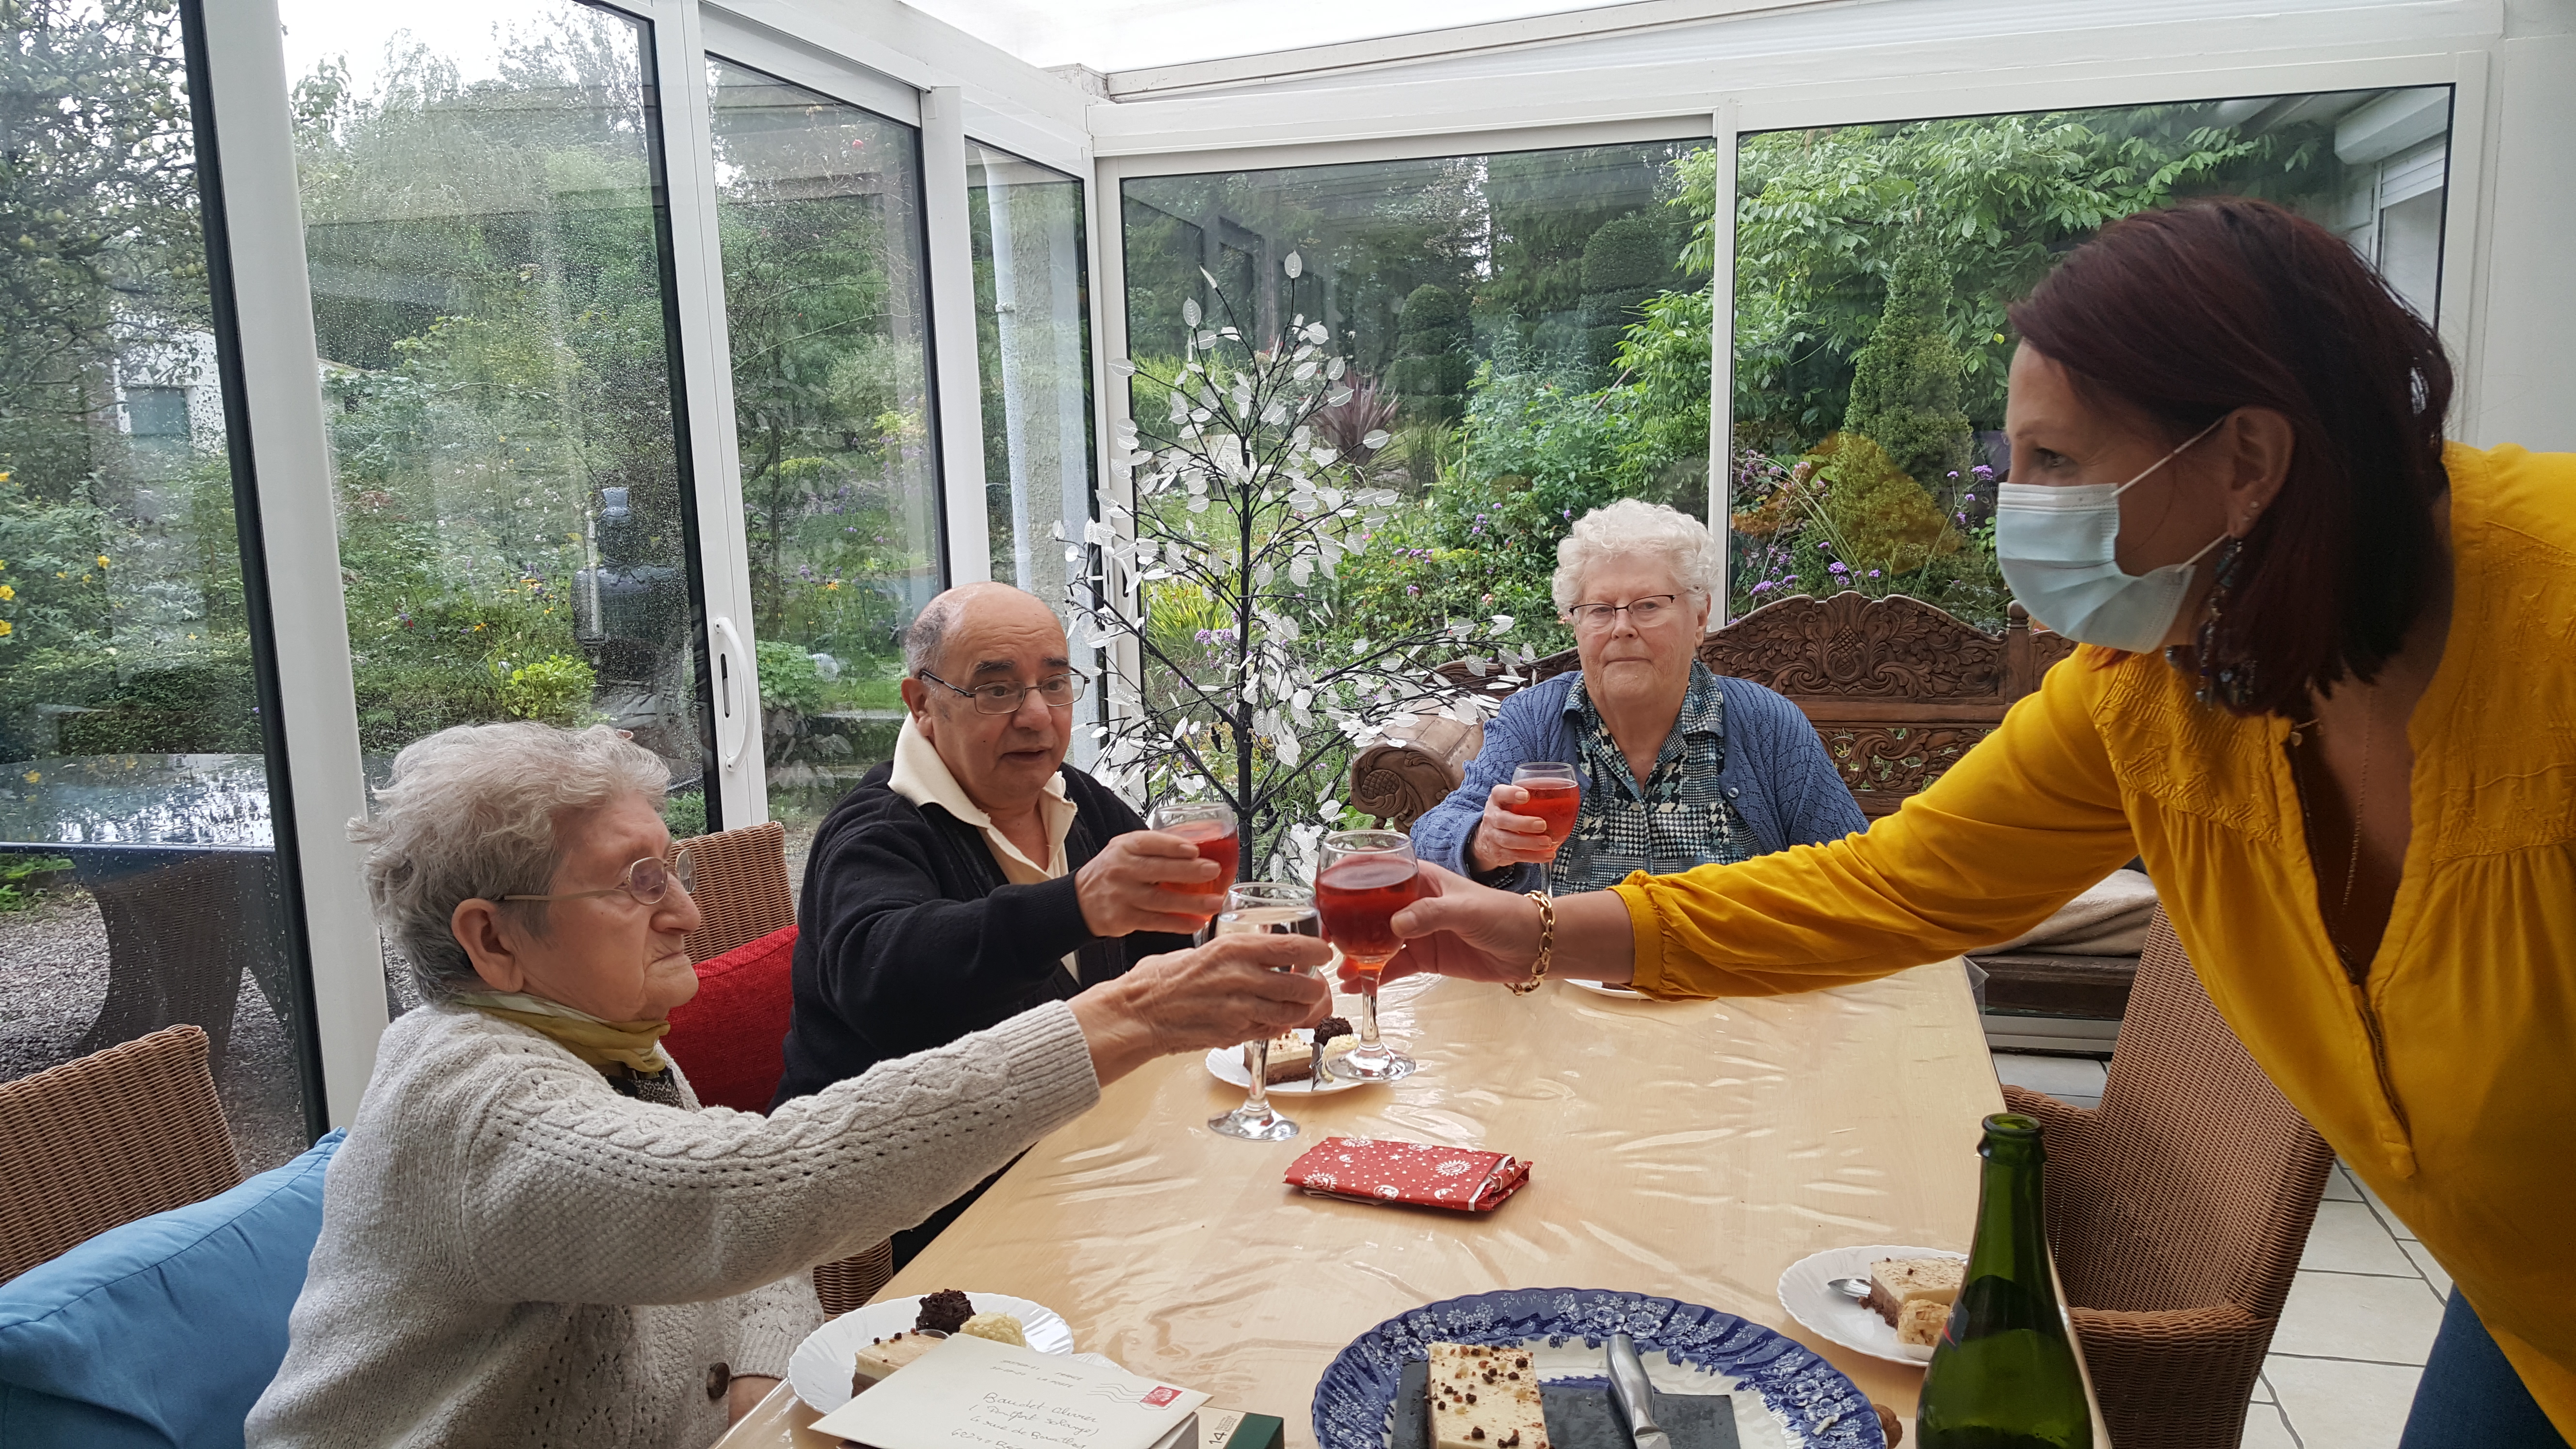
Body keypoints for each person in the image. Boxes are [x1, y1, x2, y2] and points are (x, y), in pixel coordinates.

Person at [1374, 199, 2574, 1446]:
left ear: (2246, 461)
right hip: (2519, 1312)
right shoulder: (2152, 683)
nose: (2016, 506)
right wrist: (1531, 932)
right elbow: (1890, 883)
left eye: (2052, 462)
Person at [247, 723, 1328, 1449]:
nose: (687, 911)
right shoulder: (474, 1101)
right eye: (637, 883)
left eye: (672, 867)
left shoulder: (602, 1039)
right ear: (493, 941)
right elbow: (741, 1190)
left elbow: (717, 1215)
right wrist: (1123, 1015)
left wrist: (757, 1388)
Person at [773, 582, 1224, 1262]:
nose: (1037, 716)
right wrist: (1074, 906)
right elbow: (883, 976)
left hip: (1091, 1167)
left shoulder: (1082, 804)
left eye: (1054, 683)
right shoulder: (875, 832)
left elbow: (1174, 944)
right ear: (923, 704)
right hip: (927, 1215)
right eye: (997, 690)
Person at [1412, 499, 1862, 891]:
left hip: (1730, 980)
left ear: (1700, 617)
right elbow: (1430, 839)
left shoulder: (1768, 726)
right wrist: (1482, 843)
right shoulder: (1535, 721)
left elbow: (1853, 874)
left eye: (1648, 606)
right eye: (1601, 610)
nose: (1622, 627)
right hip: (1563, 977)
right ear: (1576, 623)